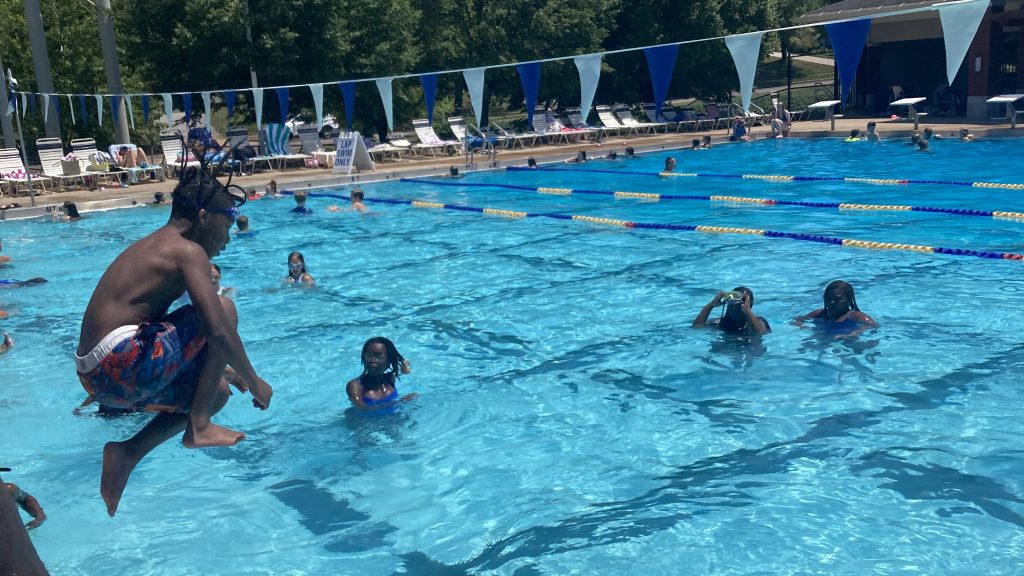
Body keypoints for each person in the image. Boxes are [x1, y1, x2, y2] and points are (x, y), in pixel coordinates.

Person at [74, 164, 273, 517]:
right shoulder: (185, 251)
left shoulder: (157, 246)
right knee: (225, 308)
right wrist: (257, 383)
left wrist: (227, 374)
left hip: (101, 379)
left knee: (216, 394)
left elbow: (182, 335)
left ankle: (127, 453)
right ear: (202, 216)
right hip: (119, 360)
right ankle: (198, 427)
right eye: (226, 225)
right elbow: (218, 329)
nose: (227, 239)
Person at [346, 337, 416, 411]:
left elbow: (405, 366)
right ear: (364, 357)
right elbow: (363, 409)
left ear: (388, 360)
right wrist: (401, 401)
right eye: (369, 355)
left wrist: (405, 368)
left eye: (379, 357)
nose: (373, 360)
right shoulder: (355, 385)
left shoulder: (390, 379)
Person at [793, 280, 877, 339]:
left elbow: (873, 325)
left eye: (837, 299)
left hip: (846, 345)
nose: (832, 302)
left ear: (848, 300)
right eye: (829, 298)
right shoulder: (819, 313)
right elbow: (797, 320)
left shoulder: (855, 316)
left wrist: (855, 333)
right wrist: (806, 328)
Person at [692, 287, 770, 336]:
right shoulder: (720, 323)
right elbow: (696, 328)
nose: (733, 309)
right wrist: (710, 305)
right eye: (731, 306)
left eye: (738, 307)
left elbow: (759, 334)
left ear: (748, 305)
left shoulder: (759, 322)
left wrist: (747, 310)